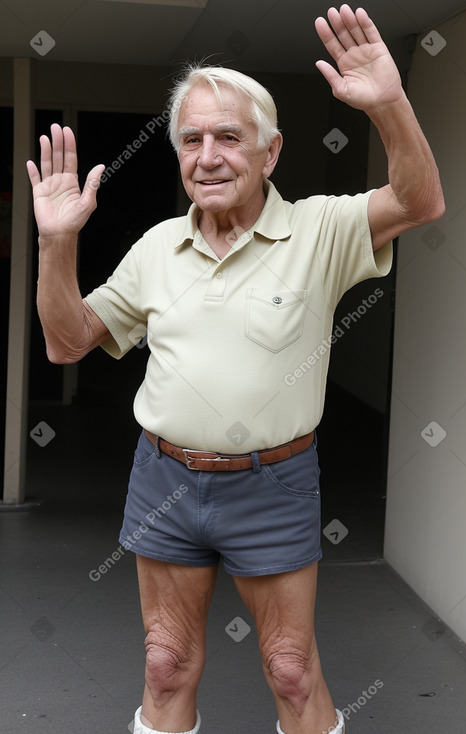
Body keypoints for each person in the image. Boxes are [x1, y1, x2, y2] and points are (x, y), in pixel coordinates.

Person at [27, 5, 444, 734]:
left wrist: (387, 103)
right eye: (191, 139)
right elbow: (67, 343)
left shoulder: (318, 228)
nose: (208, 155)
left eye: (228, 136)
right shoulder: (156, 247)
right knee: (165, 662)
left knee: (289, 670)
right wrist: (57, 243)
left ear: (270, 152)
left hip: (273, 482)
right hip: (165, 478)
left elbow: (420, 200)